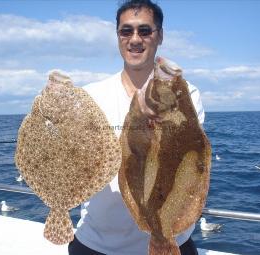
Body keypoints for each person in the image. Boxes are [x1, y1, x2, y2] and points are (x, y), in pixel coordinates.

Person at [68, 0, 204, 254]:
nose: (135, 39)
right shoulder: (89, 96)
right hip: (97, 243)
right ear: (118, 36)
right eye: (126, 30)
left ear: (159, 36)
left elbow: (186, 162)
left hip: (173, 240)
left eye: (144, 30)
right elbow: (77, 164)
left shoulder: (186, 94)